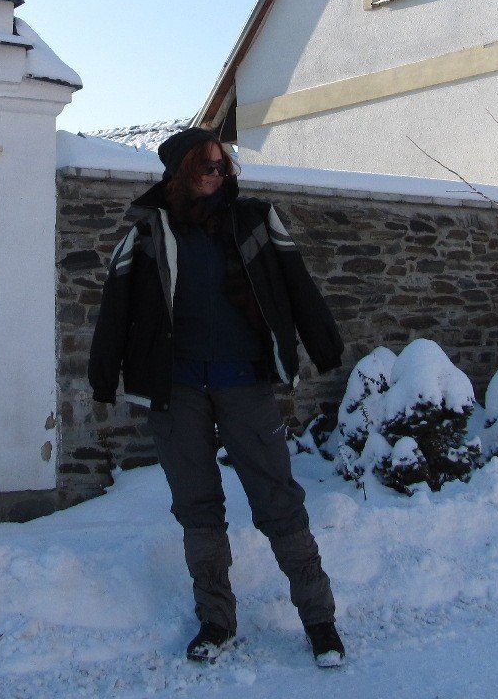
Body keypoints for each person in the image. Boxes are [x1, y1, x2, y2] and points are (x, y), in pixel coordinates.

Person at [89, 127, 347, 667]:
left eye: (222, 165)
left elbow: (296, 280)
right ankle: (216, 621)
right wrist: (103, 374)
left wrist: (323, 344)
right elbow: (116, 304)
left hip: (243, 382)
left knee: (278, 500)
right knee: (198, 508)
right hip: (175, 389)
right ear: (181, 171)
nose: (217, 173)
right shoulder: (147, 228)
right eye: (206, 166)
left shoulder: (252, 218)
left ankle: (320, 621)